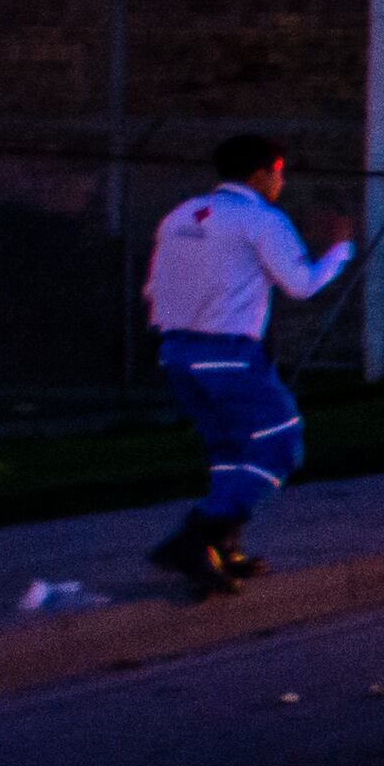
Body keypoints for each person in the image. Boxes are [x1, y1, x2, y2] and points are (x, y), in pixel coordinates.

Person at [145, 132, 354, 597]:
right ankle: (195, 537)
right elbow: (300, 284)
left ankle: (223, 549)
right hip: (230, 355)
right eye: (278, 172)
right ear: (260, 174)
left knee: (230, 452)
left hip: (176, 353)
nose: (281, 181)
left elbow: (154, 290)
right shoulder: (260, 219)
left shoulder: (179, 216)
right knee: (281, 444)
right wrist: (339, 250)